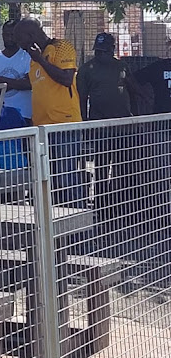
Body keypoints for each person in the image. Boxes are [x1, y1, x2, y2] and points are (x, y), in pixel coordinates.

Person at [76, 33, 142, 248]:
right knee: (102, 168)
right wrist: (85, 125)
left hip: (123, 126)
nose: (102, 53)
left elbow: (133, 90)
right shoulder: (87, 69)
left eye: (105, 50)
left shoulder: (121, 66)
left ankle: (123, 208)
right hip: (100, 125)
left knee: (124, 167)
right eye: (99, 50)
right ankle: (103, 208)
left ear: (113, 49)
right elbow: (82, 97)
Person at [14, 18, 83, 207]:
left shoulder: (61, 47)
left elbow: (66, 79)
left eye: (21, 39)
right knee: (49, 178)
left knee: (65, 176)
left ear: (31, 36)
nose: (19, 45)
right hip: (42, 127)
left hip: (63, 124)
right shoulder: (33, 60)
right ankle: (55, 221)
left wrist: (41, 61)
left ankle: (76, 222)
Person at [0, 19, 32, 124]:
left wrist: (2, 81)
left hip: (25, 114)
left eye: (12, 35)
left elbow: (29, 83)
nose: (9, 38)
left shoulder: (27, 56)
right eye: (6, 35)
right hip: (1, 115)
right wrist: (18, 82)